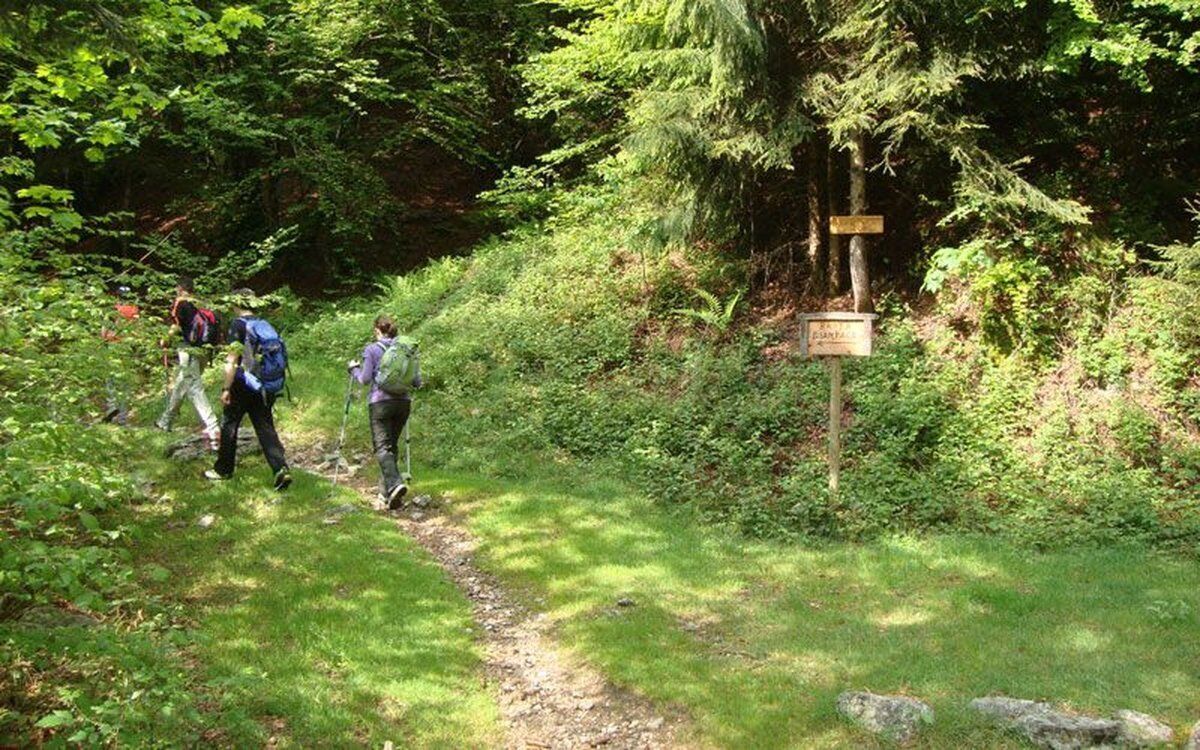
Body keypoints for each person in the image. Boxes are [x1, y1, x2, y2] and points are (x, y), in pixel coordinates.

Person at [203, 288, 292, 491]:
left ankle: (223, 470)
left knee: (229, 424)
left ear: (236, 303)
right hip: (264, 385)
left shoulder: (238, 325)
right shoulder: (262, 323)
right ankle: (281, 468)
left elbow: (232, 360)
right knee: (265, 427)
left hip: (243, 384)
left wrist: (226, 387)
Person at [348, 314, 421, 509]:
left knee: (382, 448)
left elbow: (363, 379)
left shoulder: (372, 349)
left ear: (377, 331)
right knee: (392, 447)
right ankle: (388, 494)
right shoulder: (407, 351)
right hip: (403, 403)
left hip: (380, 403)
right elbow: (417, 382)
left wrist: (353, 369)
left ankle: (395, 484)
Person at [155, 276, 220, 448]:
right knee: (182, 383)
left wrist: (165, 339)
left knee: (194, 387)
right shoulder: (201, 303)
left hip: (189, 349)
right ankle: (165, 421)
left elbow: (177, 325)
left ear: (180, 288)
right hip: (205, 349)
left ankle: (213, 427)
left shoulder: (181, 303)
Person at [101, 285, 140, 424]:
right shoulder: (135, 310)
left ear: (117, 296)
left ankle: (112, 407)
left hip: (113, 346)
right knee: (125, 383)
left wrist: (104, 341)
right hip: (127, 348)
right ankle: (123, 416)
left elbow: (103, 332)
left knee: (110, 379)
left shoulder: (113, 311)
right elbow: (137, 331)